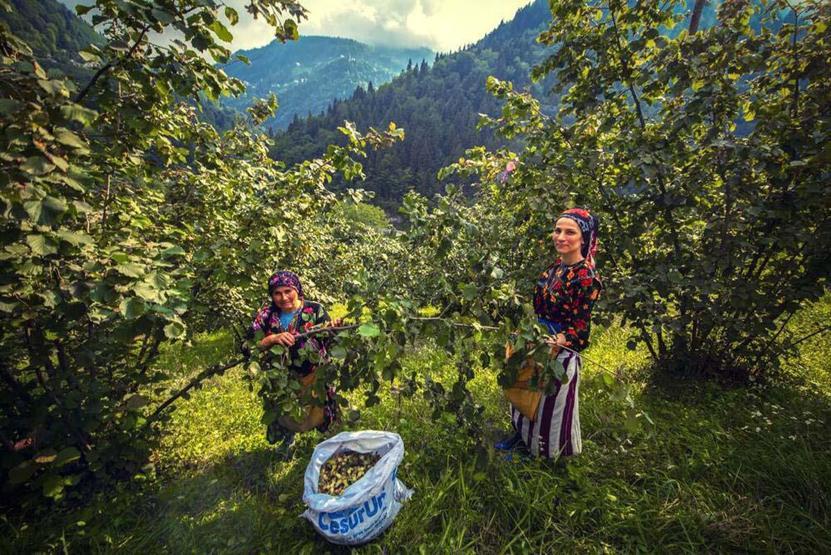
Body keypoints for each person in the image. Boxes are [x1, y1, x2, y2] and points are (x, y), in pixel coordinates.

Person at [497, 208, 602, 459]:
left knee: (548, 405)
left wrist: (557, 340)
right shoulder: (554, 269)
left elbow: (581, 328)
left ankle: (546, 455)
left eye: (570, 232)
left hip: (559, 350)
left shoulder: (586, 277)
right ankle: (522, 440)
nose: (561, 237)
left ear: (583, 239)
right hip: (537, 341)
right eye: (557, 230)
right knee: (524, 392)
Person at [247, 271, 339, 459]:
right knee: (286, 412)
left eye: (288, 291)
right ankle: (288, 439)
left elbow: (330, 342)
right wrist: (271, 339)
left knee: (321, 408)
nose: (283, 297)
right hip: (282, 379)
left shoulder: (314, 311)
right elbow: (247, 346)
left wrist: (334, 330)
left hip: (314, 374)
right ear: (271, 295)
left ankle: (329, 444)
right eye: (277, 293)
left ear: (297, 290)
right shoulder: (267, 315)